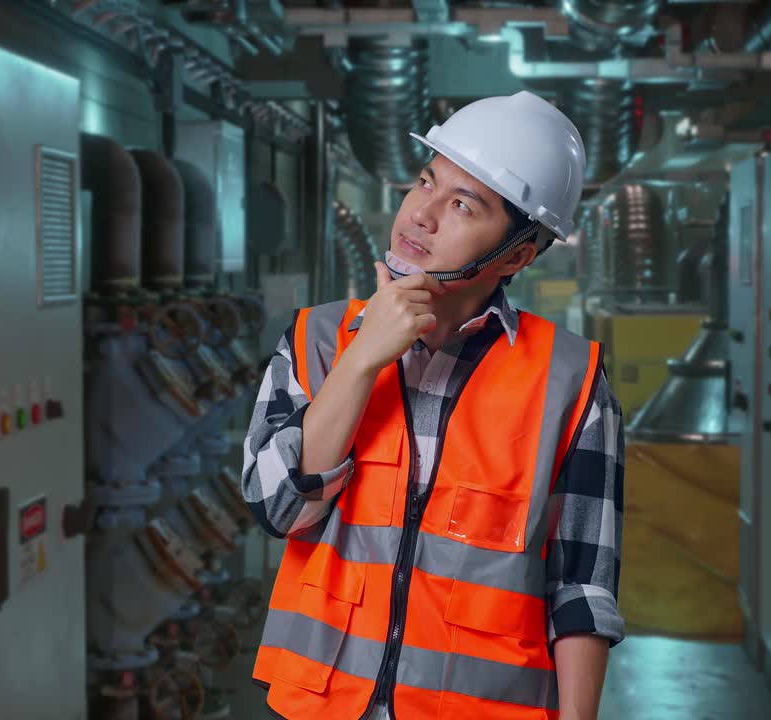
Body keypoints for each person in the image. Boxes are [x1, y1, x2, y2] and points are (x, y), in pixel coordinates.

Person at [241, 90, 625, 720]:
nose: (421, 215)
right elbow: (277, 509)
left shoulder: (571, 382)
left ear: (518, 254)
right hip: (323, 706)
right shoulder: (316, 340)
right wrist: (364, 358)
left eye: (462, 204)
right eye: (426, 181)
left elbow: (582, 585)